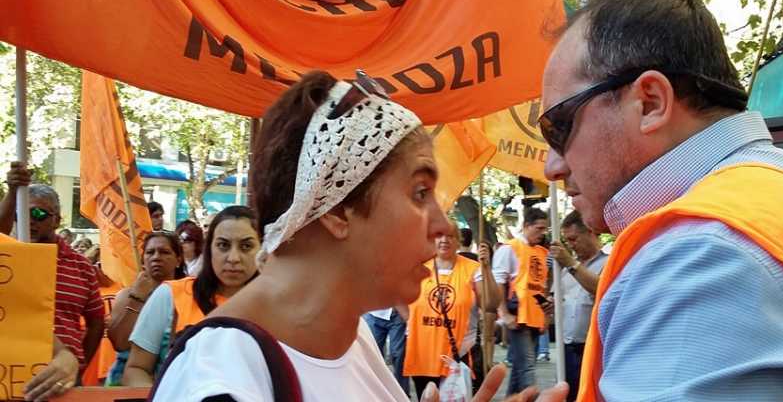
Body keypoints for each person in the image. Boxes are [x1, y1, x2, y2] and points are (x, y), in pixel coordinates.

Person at [541, 0, 783, 401]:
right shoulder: (771, 195)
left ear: (651, 102)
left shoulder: (699, 250)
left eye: (559, 126)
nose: (552, 166)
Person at [149, 71, 566, 401]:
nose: (442, 226)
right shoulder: (222, 380)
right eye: (420, 192)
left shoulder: (350, 337)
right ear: (336, 209)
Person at [122, 206, 261, 386]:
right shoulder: (170, 295)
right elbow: (136, 369)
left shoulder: (277, 307)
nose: (233, 258)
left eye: (246, 246)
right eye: (223, 245)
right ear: (209, 249)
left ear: (263, 249)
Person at [0, 167, 104, 399]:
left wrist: (77, 362)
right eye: (20, 214)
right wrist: (13, 189)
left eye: (38, 214)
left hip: (62, 379)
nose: (29, 221)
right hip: (10, 372)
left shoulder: (82, 267)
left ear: (57, 219)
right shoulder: (7, 259)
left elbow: (96, 322)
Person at [404, 220, 500, 396]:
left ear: (458, 241)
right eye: (439, 235)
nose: (444, 240)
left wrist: (487, 269)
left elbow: (491, 304)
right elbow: (400, 298)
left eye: (450, 236)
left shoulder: (474, 269)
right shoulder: (418, 268)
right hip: (423, 356)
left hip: (459, 356)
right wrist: (411, 323)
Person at [105, 230, 188, 385]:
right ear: (143, 259)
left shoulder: (188, 296)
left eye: (164, 252)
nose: (156, 257)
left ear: (178, 260)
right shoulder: (126, 295)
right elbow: (119, 343)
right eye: (150, 252)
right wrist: (137, 298)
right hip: (125, 381)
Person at [486, 207, 550, 395]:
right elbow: (499, 282)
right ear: (526, 226)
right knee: (527, 368)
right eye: (539, 228)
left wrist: (546, 317)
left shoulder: (541, 252)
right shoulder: (509, 249)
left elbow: (542, 287)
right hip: (518, 316)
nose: (542, 233)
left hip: (535, 317)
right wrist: (504, 314)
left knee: (520, 369)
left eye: (544, 229)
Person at [548, 210, 608, 402]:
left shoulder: (609, 261)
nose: (571, 246)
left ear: (590, 232)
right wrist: (550, 306)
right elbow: (560, 300)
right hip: (567, 346)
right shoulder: (564, 269)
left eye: (574, 239)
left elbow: (601, 289)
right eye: (568, 241)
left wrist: (571, 264)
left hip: (592, 347)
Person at [81, 246, 124, 386]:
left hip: (116, 359)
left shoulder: (123, 289)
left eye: (101, 265)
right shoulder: (84, 292)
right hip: (93, 359)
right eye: (93, 264)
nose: (97, 269)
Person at [363, 306, 411, 394]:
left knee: (398, 355)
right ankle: (375, 392)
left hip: (397, 315)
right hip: (373, 314)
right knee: (372, 354)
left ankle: (401, 393)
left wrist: (409, 320)